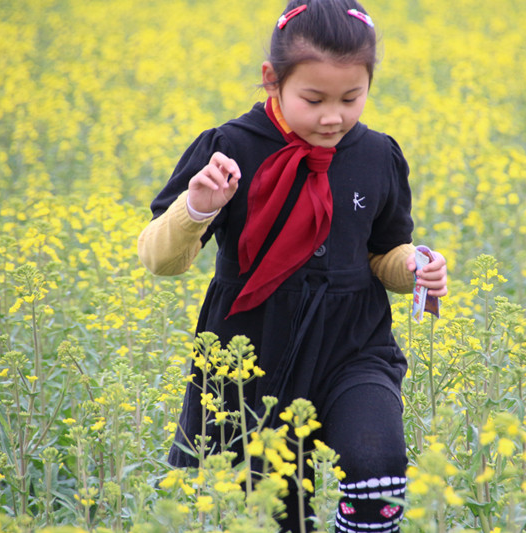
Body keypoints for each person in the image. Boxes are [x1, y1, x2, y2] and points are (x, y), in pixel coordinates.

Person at [138, 1, 447, 531]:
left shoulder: (376, 154)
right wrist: (198, 208)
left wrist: (416, 266)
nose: (334, 117)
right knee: (277, 515)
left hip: (355, 346)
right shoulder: (227, 149)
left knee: (379, 467)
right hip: (253, 356)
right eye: (314, 99)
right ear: (271, 80)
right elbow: (160, 260)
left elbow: (383, 253)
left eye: (352, 98)